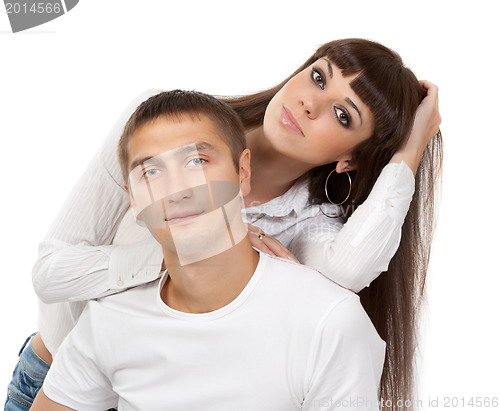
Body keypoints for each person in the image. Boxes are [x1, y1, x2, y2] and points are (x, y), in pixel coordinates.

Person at [5, 38, 442, 411]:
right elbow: (50, 272)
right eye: (319, 77)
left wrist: (408, 151)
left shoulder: (308, 224)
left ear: (350, 158)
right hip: (51, 382)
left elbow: (348, 270)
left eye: (343, 115)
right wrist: (187, 249)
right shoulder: (162, 128)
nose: (311, 103)